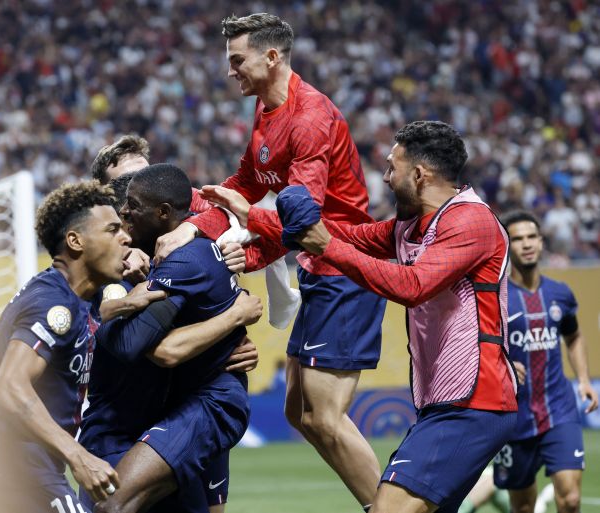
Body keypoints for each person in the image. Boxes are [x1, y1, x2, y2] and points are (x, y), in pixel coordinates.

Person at [154, 13, 386, 508]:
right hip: (316, 270)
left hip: (344, 265)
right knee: (299, 412)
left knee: (324, 416)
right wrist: (193, 216)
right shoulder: (266, 110)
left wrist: (248, 231)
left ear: (271, 56)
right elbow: (248, 184)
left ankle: (393, 507)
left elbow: (303, 220)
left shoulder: (310, 118)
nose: (231, 70)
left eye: (237, 60)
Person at [292, 120, 518, 513]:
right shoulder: (410, 226)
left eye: (392, 167)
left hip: (475, 404)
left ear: (419, 174)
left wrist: (326, 245)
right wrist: (252, 222)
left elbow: (412, 286)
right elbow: (348, 237)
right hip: (442, 404)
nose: (385, 176)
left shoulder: (471, 221)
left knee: (387, 509)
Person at [79, 170, 263, 513]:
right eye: (118, 216)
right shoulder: (121, 267)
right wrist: (233, 318)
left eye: (132, 207)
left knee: (119, 505)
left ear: (163, 212)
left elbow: (154, 348)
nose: (125, 217)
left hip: (197, 406)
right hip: (122, 425)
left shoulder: (182, 258)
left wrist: (233, 320)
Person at [0, 181, 133, 512]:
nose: (125, 238)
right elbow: (10, 387)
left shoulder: (83, 297)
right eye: (112, 230)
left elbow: (115, 298)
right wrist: (79, 456)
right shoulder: (53, 304)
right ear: (76, 241)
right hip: (13, 459)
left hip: (24, 459)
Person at [493, 210, 598, 513]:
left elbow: (574, 337)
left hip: (559, 410)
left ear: (541, 242)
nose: (526, 244)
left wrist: (582, 380)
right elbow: (478, 351)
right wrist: (505, 367)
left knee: (571, 499)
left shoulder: (559, 294)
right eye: (517, 239)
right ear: (507, 246)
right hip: (513, 418)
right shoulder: (496, 299)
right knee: (523, 506)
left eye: (531, 237)